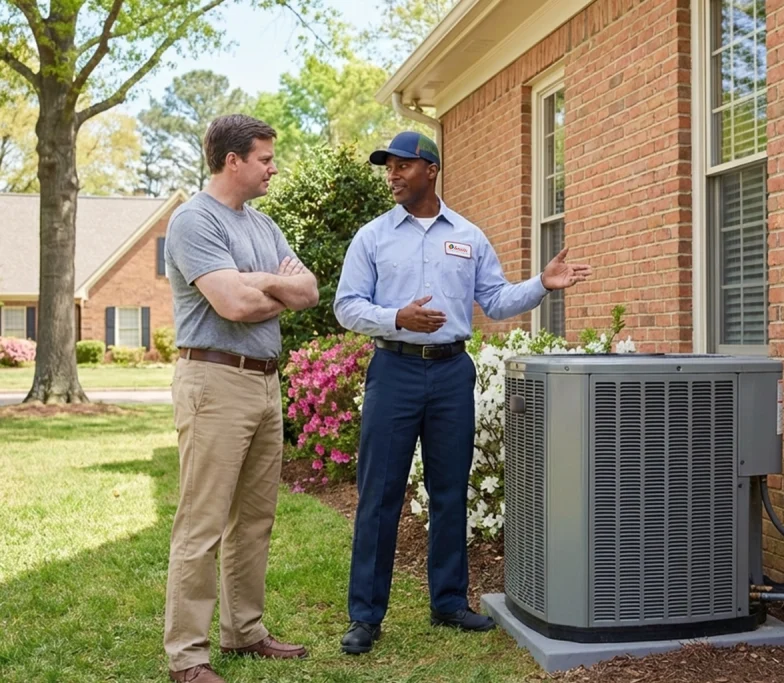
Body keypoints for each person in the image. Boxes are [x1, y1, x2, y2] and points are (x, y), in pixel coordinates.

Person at [333, 130, 592, 655]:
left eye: (402, 165)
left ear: (430, 169)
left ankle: (449, 602)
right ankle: (366, 615)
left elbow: (494, 301)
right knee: (380, 495)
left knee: (450, 491)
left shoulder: (469, 237)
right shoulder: (373, 237)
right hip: (395, 370)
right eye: (388, 167)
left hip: (451, 374)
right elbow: (346, 305)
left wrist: (541, 282)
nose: (392, 175)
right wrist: (395, 317)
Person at [162, 114, 319, 683]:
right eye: (265, 159)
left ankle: (245, 631)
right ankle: (188, 656)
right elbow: (233, 306)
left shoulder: (264, 225)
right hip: (214, 382)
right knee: (202, 523)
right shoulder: (192, 222)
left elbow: (309, 289)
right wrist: (270, 284)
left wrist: (260, 283)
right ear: (233, 161)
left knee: (254, 519)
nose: (272, 168)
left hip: (263, 381)